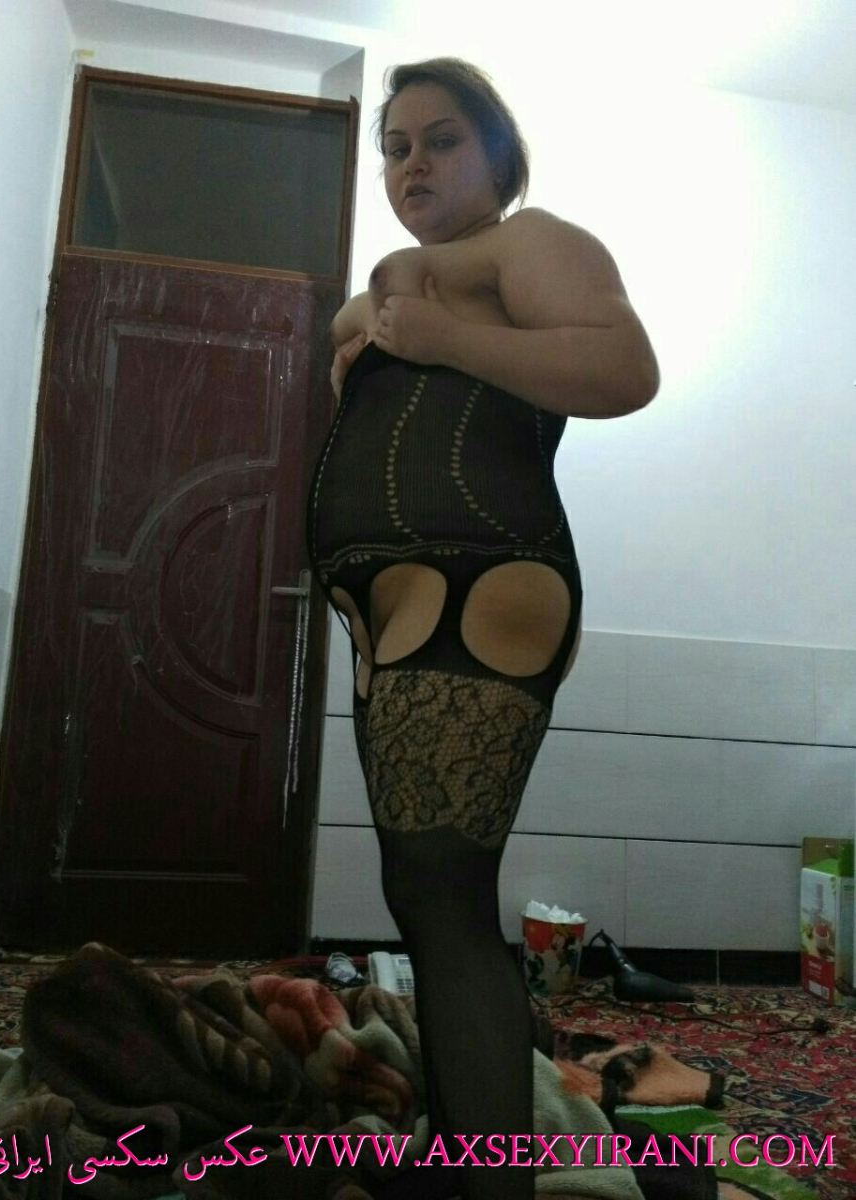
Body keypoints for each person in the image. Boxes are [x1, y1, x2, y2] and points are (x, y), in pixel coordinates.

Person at [306, 58, 659, 1199]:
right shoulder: (394, 290)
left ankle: (489, 1179)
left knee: (447, 898)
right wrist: (371, 334)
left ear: (500, 156)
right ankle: (463, 1153)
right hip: (394, 606)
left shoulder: (530, 244)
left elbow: (625, 368)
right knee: (423, 894)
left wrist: (440, 336)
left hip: (480, 581)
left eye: (443, 139)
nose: (413, 163)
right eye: (396, 147)